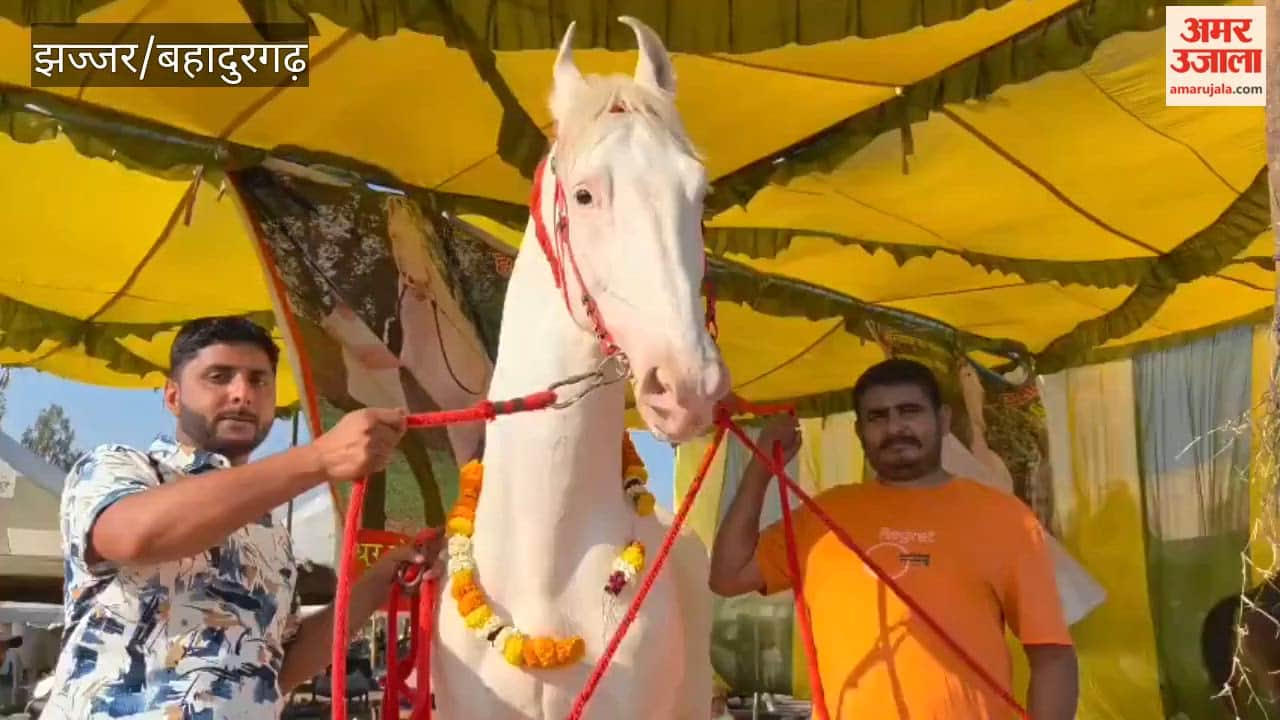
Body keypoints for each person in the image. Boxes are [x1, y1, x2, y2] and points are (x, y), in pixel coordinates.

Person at [39, 316, 444, 719]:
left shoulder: (270, 530)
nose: (242, 394)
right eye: (219, 376)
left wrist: (379, 581)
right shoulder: (121, 468)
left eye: (259, 380)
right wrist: (319, 458)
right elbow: (135, 536)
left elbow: (273, 669)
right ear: (173, 397)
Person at [709, 358, 1078, 719]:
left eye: (910, 410)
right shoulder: (825, 516)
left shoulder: (1004, 518)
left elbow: (1052, 656)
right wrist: (761, 467)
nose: (895, 427)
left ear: (944, 419)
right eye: (877, 417)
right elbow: (729, 576)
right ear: (859, 432)